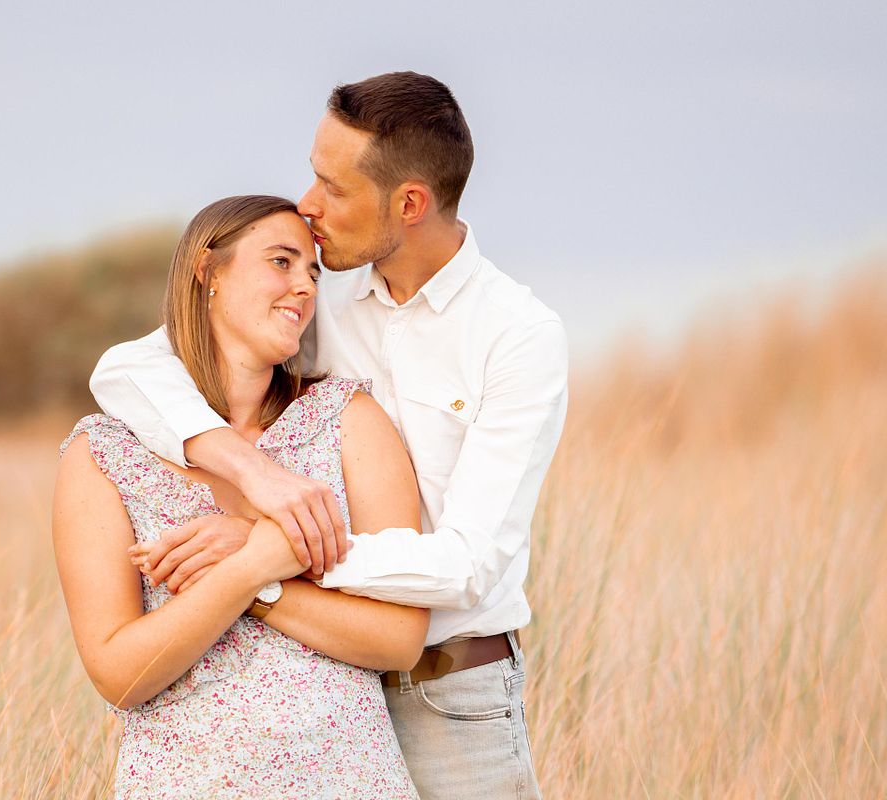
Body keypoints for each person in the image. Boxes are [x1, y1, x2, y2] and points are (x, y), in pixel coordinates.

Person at [93, 72, 567, 799]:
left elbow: (467, 563)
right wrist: (249, 476)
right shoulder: (318, 306)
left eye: (333, 188)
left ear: (409, 203)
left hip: (451, 691)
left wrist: (265, 559)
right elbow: (127, 370)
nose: (308, 208)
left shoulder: (517, 336)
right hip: (322, 682)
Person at [53, 194, 429, 798]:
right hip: (183, 783)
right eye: (281, 262)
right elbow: (120, 675)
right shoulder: (102, 455)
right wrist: (254, 563)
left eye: (312, 272)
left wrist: (268, 578)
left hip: (346, 781)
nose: (304, 288)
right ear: (208, 272)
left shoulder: (350, 421)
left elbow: (399, 639)